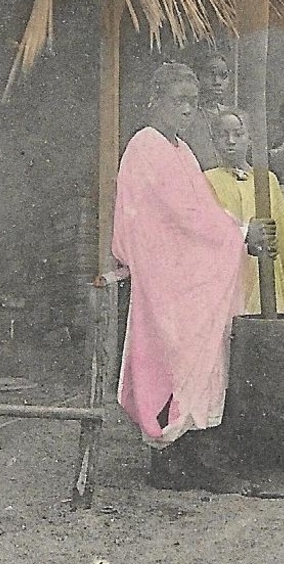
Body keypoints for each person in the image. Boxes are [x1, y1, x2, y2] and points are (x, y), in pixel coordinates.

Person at [110, 64, 273, 490]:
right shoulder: (145, 148)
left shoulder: (181, 149)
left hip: (186, 271)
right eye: (178, 101)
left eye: (193, 103)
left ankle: (193, 451)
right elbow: (180, 216)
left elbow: (203, 209)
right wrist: (239, 233)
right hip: (164, 273)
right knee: (171, 357)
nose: (186, 110)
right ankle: (166, 458)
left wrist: (236, 230)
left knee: (200, 356)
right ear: (155, 101)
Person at [204, 110, 284, 316]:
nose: (231, 141)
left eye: (238, 134)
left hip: (269, 278)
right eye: (223, 135)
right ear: (214, 140)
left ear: (249, 138)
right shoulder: (207, 181)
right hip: (230, 282)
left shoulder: (266, 180)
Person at [179, 46, 234, 171]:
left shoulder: (229, 115)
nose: (217, 82)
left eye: (223, 76)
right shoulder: (187, 115)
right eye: (211, 74)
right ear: (197, 77)